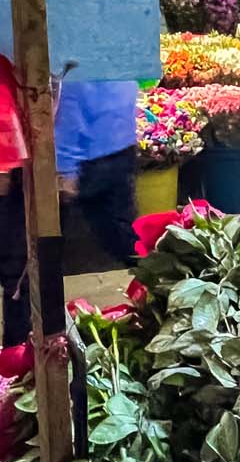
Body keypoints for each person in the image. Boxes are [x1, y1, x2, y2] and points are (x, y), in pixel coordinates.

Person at [0, 79, 138, 346]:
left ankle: (24, 354)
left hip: (66, 155)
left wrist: (61, 165)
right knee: (125, 240)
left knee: (29, 264)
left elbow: (72, 93)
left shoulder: (71, 44)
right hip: (114, 142)